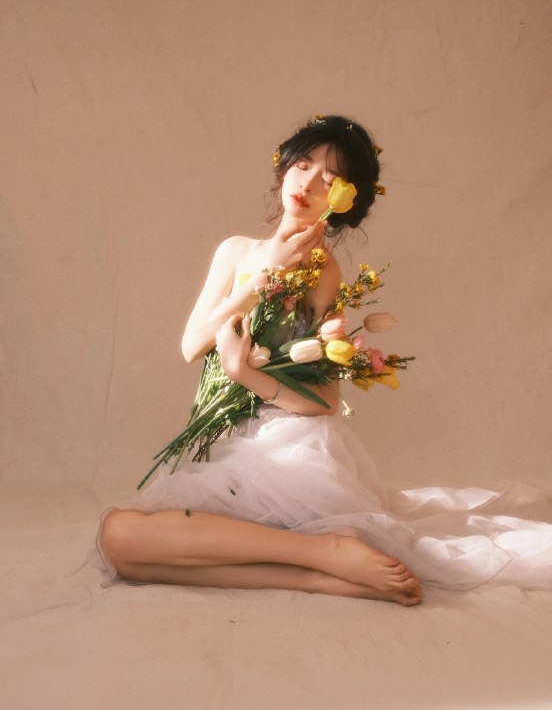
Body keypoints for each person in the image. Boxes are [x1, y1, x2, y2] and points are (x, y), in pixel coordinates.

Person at [95, 115, 552, 604]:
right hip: (227, 445)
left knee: (122, 536)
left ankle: (325, 550)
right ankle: (319, 569)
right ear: (284, 168)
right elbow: (192, 346)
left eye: (330, 180)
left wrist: (242, 371)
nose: (309, 183)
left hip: (285, 446)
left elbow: (325, 402)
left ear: (344, 202)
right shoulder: (236, 251)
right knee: (124, 550)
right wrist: (262, 278)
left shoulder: (323, 273)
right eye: (304, 165)